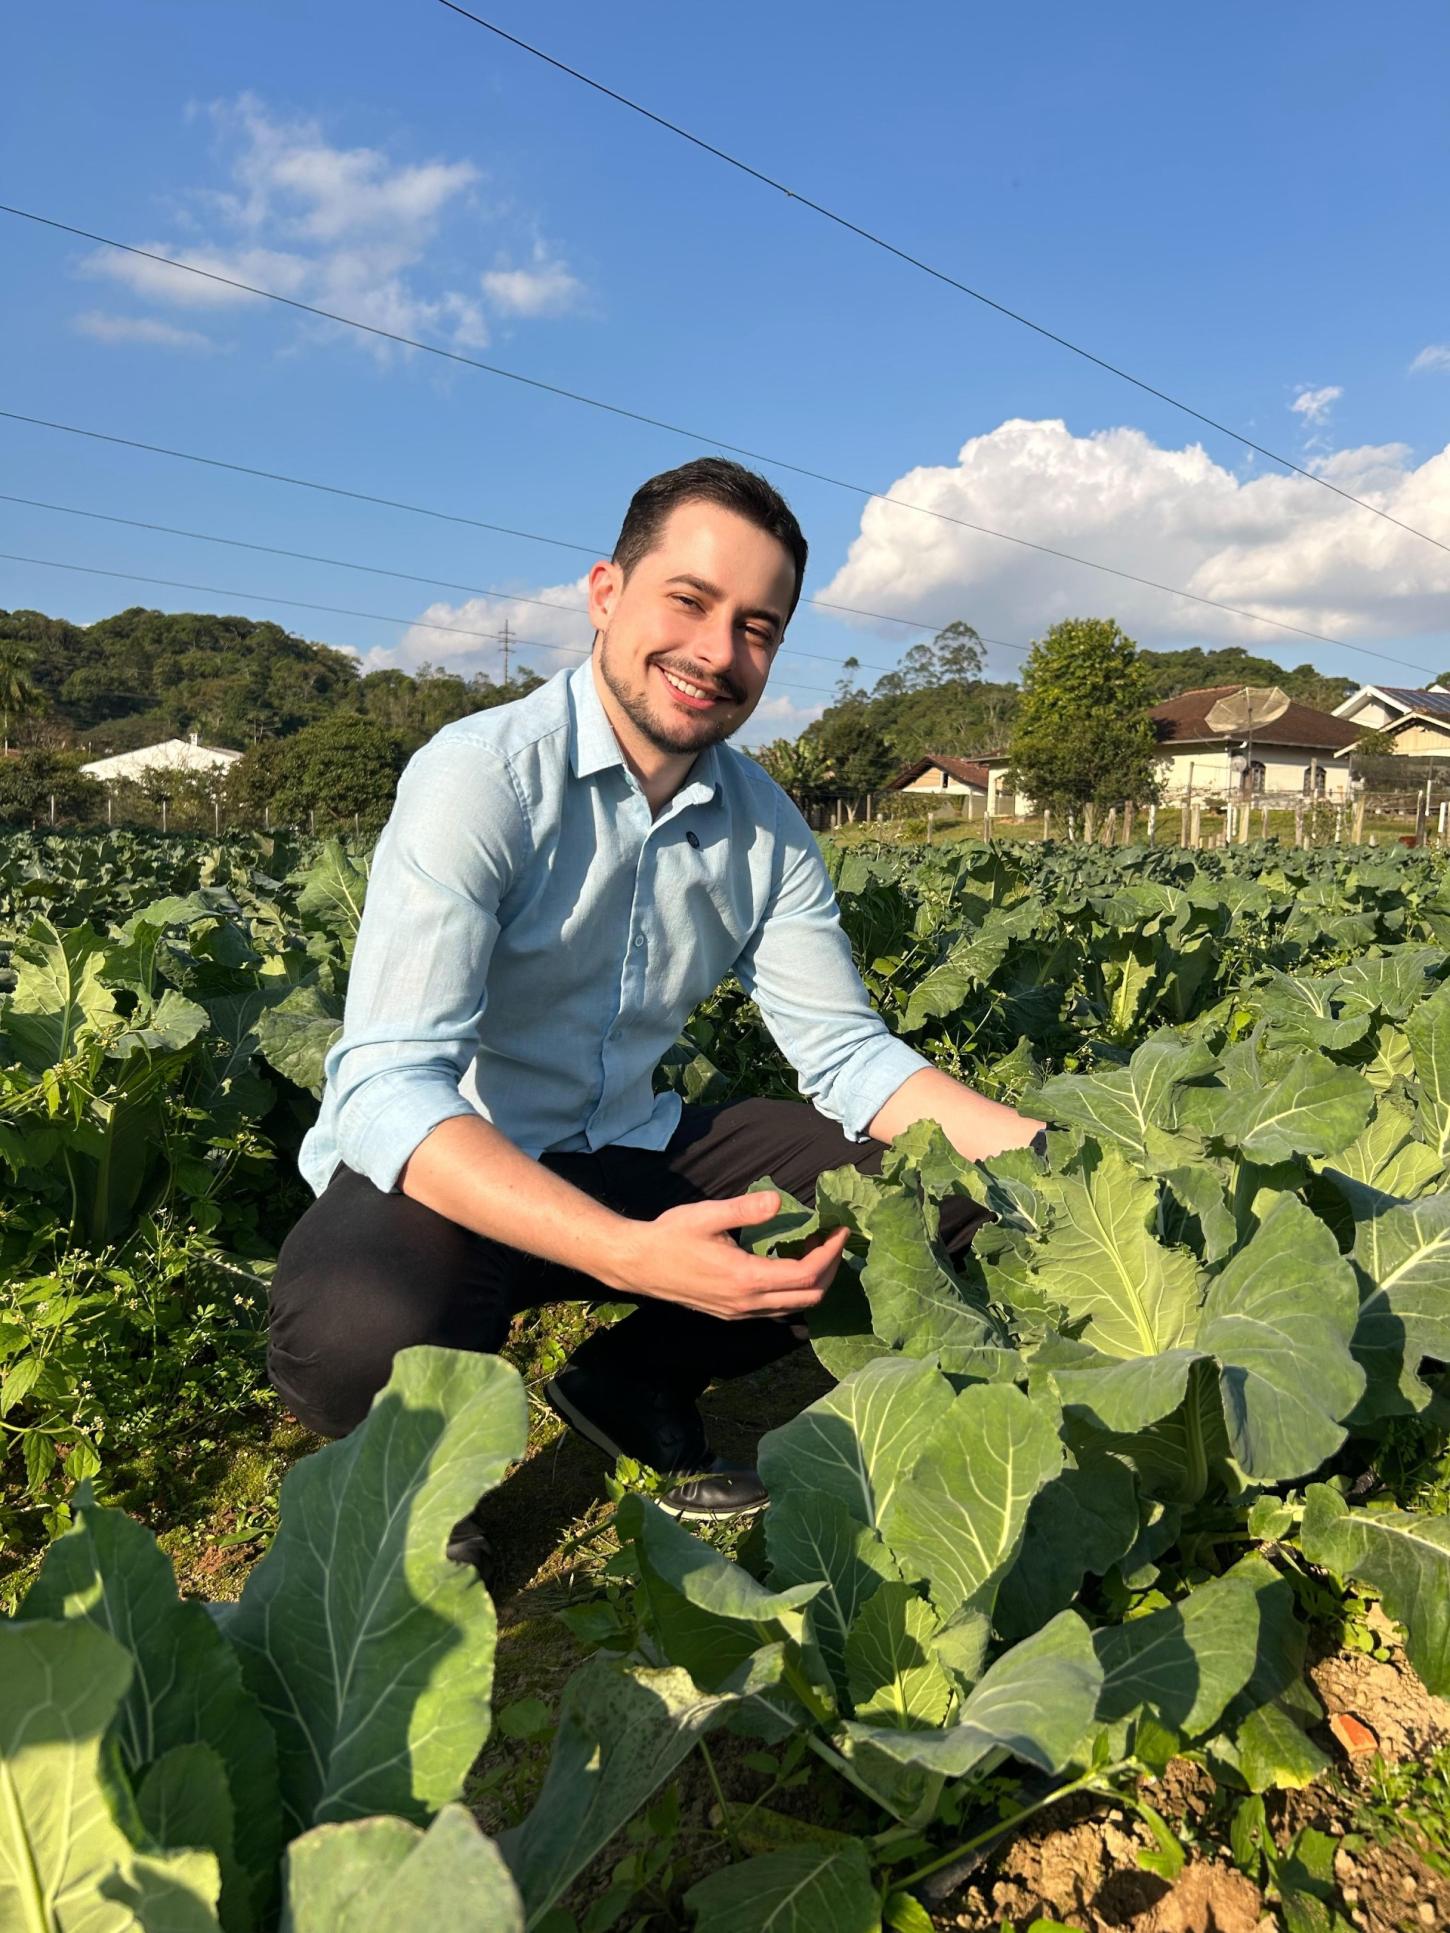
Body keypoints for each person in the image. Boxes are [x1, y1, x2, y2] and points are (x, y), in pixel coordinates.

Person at [267, 457, 1042, 1534]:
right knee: (356, 1326)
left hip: (629, 1141)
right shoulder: (480, 776)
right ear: (604, 593)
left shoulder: (764, 826)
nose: (717, 652)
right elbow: (392, 1087)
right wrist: (631, 1253)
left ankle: (631, 1378)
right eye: (689, 600)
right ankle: (420, 1478)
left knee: (914, 1187)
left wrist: (1059, 1165)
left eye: (758, 627)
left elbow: (851, 1057)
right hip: (457, 1170)